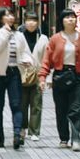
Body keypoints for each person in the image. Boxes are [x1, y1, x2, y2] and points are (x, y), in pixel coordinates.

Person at [39, 9, 80, 151]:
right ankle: (64, 138)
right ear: (62, 21)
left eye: (73, 17)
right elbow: (47, 60)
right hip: (60, 76)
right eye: (67, 17)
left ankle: (76, 138)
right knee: (61, 110)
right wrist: (42, 77)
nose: (71, 19)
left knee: (75, 110)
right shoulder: (55, 39)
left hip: (77, 78)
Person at [0, 7, 34, 150]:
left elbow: (25, 52)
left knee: (16, 104)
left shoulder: (18, 34)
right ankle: (0, 136)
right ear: (0, 18)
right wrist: (5, 32)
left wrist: (27, 61)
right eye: (7, 15)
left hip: (14, 72)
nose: (11, 17)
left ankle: (17, 135)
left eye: (12, 14)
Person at [19, 12, 49, 142]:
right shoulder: (18, 37)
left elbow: (47, 59)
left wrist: (47, 78)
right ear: (24, 22)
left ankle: (35, 131)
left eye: (34, 20)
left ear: (38, 23)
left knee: (36, 104)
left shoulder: (43, 38)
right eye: (28, 20)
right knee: (22, 104)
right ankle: (22, 128)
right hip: (22, 75)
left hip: (38, 75)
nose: (31, 23)